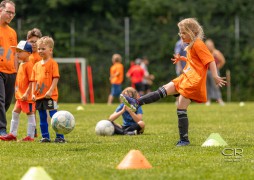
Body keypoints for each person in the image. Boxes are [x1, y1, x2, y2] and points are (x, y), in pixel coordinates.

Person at [120, 18, 226, 146]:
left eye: (184, 33)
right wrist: (182, 58)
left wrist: (215, 75)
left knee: (181, 107)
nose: (181, 35)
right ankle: (136, 103)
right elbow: (194, 61)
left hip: (193, 82)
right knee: (163, 90)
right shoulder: (191, 45)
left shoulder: (198, 44)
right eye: (180, 32)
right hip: (185, 77)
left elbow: (210, 60)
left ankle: (184, 140)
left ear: (194, 32)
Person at [31, 36, 65, 143]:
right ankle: (45, 137)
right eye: (39, 49)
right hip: (39, 96)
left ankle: (60, 137)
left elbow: (55, 78)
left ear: (50, 50)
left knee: (54, 116)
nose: (40, 51)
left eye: (43, 48)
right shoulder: (36, 65)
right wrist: (33, 93)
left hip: (50, 96)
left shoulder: (53, 64)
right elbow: (34, 81)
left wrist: (50, 90)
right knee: (42, 117)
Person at [0, 41, 36, 141]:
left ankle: (30, 136)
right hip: (20, 96)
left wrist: (27, 93)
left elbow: (32, 81)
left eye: (20, 51)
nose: (17, 53)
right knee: (15, 112)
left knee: (30, 113)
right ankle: (12, 134)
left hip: (27, 97)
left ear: (28, 53)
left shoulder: (29, 65)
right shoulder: (21, 64)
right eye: (17, 51)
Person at [0, 0, 17, 136]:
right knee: (0, 100)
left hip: (11, 71)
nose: (10, 15)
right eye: (8, 12)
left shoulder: (12, 32)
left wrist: (17, 72)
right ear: (0, 10)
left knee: (6, 102)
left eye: (13, 13)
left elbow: (14, 54)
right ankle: (2, 130)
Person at [27, 28, 43, 137]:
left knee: (41, 108)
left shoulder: (40, 56)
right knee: (31, 109)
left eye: (36, 42)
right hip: (29, 85)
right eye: (31, 41)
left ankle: (43, 130)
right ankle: (34, 129)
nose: (33, 44)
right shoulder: (27, 55)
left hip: (39, 85)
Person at [205, 39, 226, 106]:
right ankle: (208, 100)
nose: (209, 47)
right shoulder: (205, 53)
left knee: (216, 86)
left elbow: (223, 61)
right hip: (206, 71)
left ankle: (219, 99)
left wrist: (217, 68)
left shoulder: (216, 53)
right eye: (208, 45)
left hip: (215, 72)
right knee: (207, 86)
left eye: (210, 45)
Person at [174, 39, 187, 105]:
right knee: (179, 85)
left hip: (187, 68)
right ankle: (177, 101)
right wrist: (180, 68)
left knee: (184, 85)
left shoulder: (187, 43)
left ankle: (182, 100)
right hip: (181, 68)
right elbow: (177, 56)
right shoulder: (179, 44)